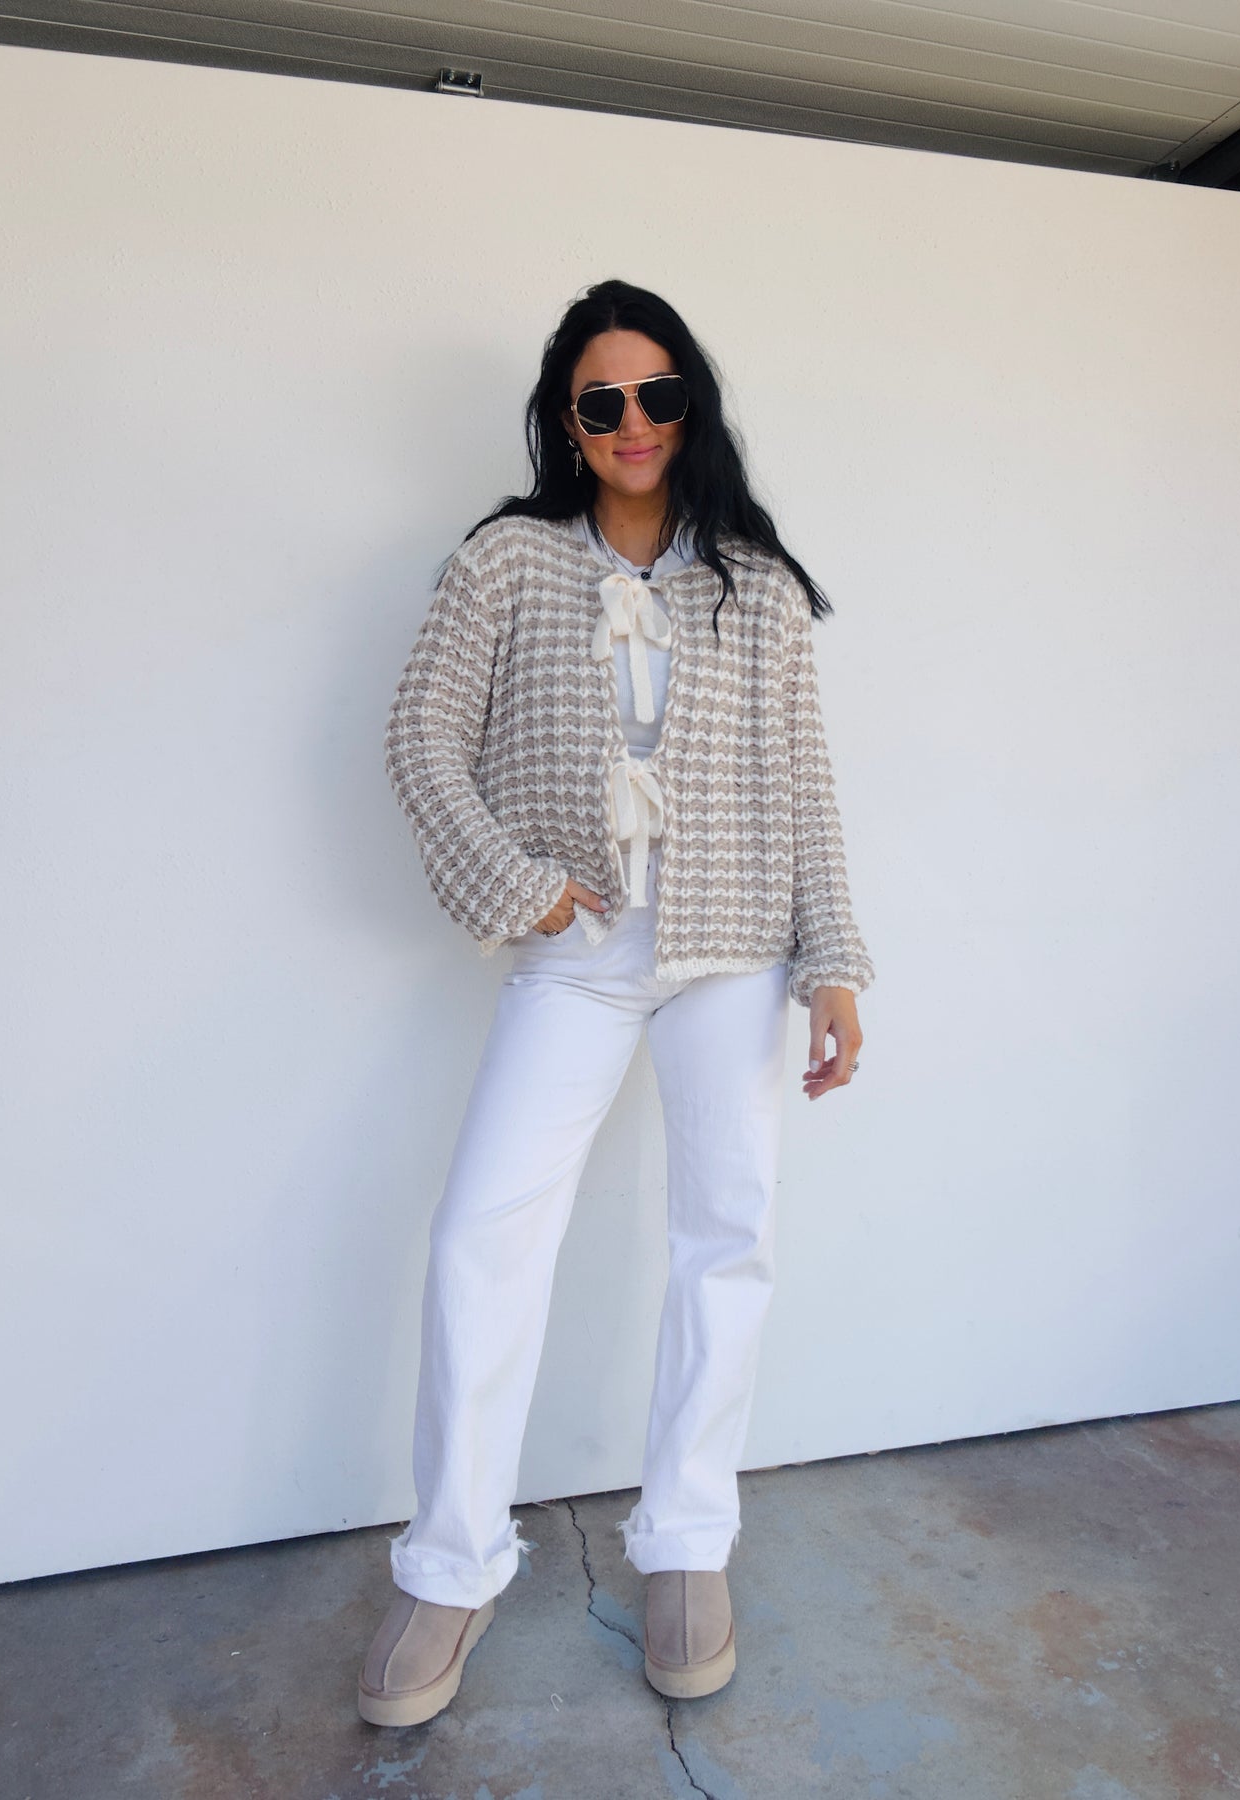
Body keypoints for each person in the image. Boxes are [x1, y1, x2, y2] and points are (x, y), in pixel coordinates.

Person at [359, 278, 875, 1728]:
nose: (633, 422)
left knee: (727, 1236)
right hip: (578, 952)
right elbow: (420, 738)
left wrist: (832, 962)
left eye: (658, 394)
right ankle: (452, 1565)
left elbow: (806, 789)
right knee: (483, 1237)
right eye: (602, 401)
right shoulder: (508, 563)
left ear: (690, 405)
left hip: (734, 950)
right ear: (567, 421)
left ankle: (689, 1545)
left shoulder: (755, 584)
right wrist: (517, 884)